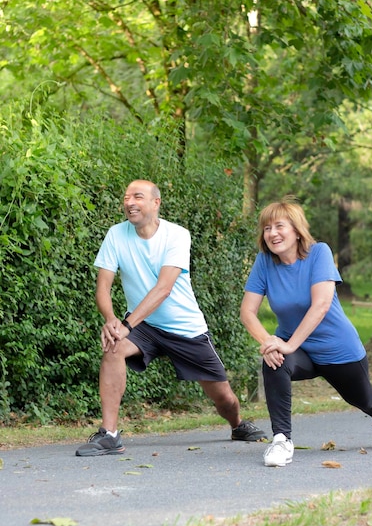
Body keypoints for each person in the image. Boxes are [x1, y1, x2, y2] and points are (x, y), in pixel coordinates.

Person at [76, 179, 266, 456]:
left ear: (156, 203)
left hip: (185, 328)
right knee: (113, 345)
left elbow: (163, 288)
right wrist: (111, 320)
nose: (129, 202)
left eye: (137, 197)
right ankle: (110, 434)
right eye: (127, 197)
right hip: (144, 326)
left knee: (224, 399)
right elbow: (103, 285)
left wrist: (126, 324)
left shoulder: (177, 235)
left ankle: (237, 425)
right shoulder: (116, 235)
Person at [240, 196, 372, 468]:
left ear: (296, 230)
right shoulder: (264, 262)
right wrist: (270, 342)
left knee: (363, 399)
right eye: (267, 228)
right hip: (299, 349)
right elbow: (248, 312)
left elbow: (321, 304)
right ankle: (282, 440)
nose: (272, 233)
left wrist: (288, 344)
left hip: (338, 348)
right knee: (274, 361)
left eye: (279, 226)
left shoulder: (319, 253)